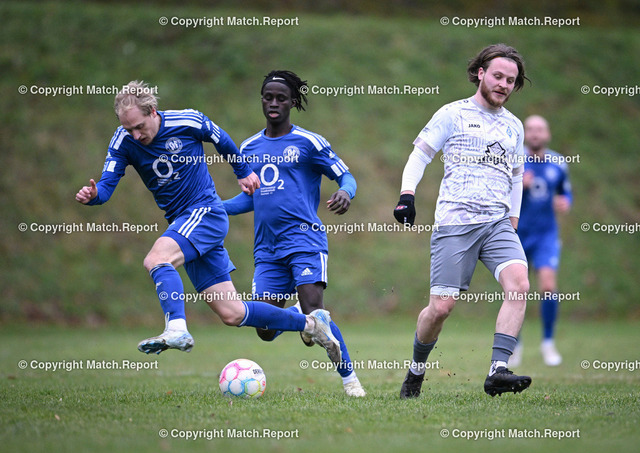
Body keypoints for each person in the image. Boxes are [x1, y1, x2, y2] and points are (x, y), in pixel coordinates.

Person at [75, 80, 342, 367]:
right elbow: (107, 183)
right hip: (183, 223)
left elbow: (221, 138)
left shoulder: (187, 121)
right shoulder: (123, 140)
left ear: (152, 111)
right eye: (129, 129)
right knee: (232, 313)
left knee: (156, 259)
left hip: (204, 213)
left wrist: (242, 171)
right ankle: (311, 325)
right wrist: (94, 195)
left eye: (139, 127)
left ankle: (176, 328)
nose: (136, 135)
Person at [393, 44, 532, 398]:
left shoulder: (514, 126)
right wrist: (407, 195)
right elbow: (420, 155)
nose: (503, 84)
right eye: (498, 76)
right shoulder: (452, 114)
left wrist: (513, 219)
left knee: (519, 285)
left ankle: (498, 370)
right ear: (480, 73)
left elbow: (517, 177)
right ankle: (416, 370)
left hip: (497, 223)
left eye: (511, 80)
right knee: (441, 308)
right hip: (455, 223)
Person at [223, 70, 365, 397]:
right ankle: (298, 316)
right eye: (268, 97)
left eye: (281, 98)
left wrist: (345, 192)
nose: (273, 103)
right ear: (261, 101)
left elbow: (346, 176)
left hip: (304, 240)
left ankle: (350, 381)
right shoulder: (248, 147)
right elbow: (251, 198)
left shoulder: (309, 142)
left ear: (292, 103)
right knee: (264, 327)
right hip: (267, 249)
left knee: (316, 309)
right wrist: (216, 206)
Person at [509, 115, 572, 367]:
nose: (535, 133)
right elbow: (499, 193)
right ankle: (514, 345)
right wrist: (517, 186)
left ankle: (548, 343)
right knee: (516, 289)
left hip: (546, 235)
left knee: (547, 285)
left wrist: (565, 202)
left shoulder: (558, 162)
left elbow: (565, 192)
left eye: (540, 129)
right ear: (524, 134)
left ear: (547, 134)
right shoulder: (515, 161)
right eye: (530, 129)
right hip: (517, 234)